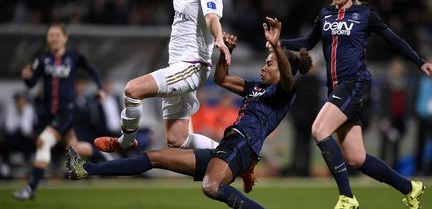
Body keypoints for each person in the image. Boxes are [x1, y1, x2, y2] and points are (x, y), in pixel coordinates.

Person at [65, 17, 313, 209]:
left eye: (268, 63)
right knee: (154, 157)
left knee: (211, 186)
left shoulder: (285, 91)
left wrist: (278, 46)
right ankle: (85, 169)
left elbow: (288, 77)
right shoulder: (256, 87)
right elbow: (221, 78)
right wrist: (227, 52)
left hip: (243, 145)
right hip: (229, 146)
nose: (263, 67)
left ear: (281, 68)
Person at [279, 0, 432, 208]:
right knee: (356, 158)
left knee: (319, 129)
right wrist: (277, 42)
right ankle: (410, 187)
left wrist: (420, 61)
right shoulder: (325, 14)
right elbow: (307, 43)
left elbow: (393, 39)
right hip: (337, 89)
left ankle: (347, 198)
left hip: (355, 82)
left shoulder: (364, 14)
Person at [91, 0, 231, 152]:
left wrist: (219, 39)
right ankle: (236, 155)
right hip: (178, 67)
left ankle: (126, 141)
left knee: (133, 90)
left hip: (193, 66)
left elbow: (211, 17)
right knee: (177, 139)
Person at [13, 23, 107, 200]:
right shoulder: (42, 59)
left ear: (65, 38)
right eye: (50, 35)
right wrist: (26, 78)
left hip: (68, 111)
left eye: (57, 34)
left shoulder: (73, 57)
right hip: (51, 114)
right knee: (76, 148)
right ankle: (105, 158)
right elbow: (32, 82)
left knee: (43, 141)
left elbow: (92, 69)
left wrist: (100, 88)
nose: (54, 38)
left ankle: (31, 187)